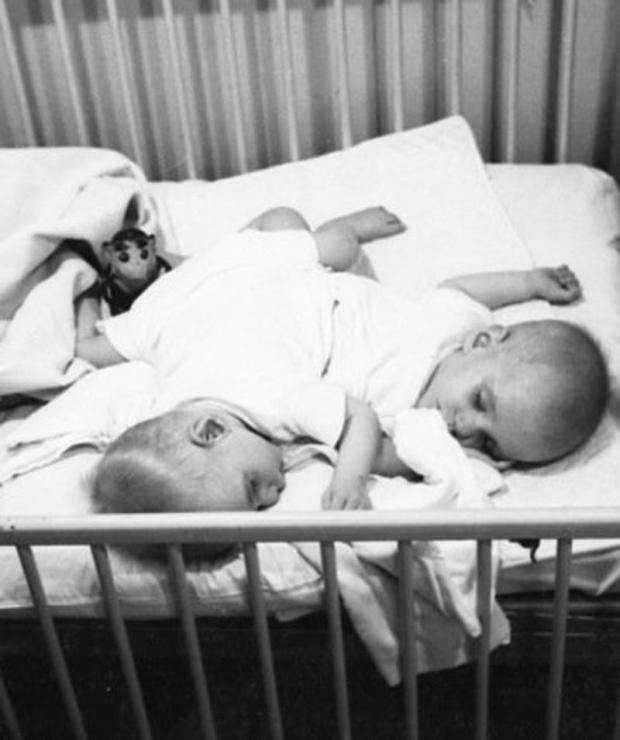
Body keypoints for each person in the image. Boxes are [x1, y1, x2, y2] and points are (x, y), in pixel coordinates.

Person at [82, 206, 608, 516]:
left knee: (282, 227)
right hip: (317, 289)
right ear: (483, 342)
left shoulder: (419, 423)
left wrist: (465, 463)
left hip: (280, 313)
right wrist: (527, 282)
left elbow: (380, 450)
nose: (465, 427)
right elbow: (462, 289)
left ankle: (176, 275)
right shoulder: (449, 325)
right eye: (480, 402)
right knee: (317, 237)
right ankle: (197, 267)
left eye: (488, 442)